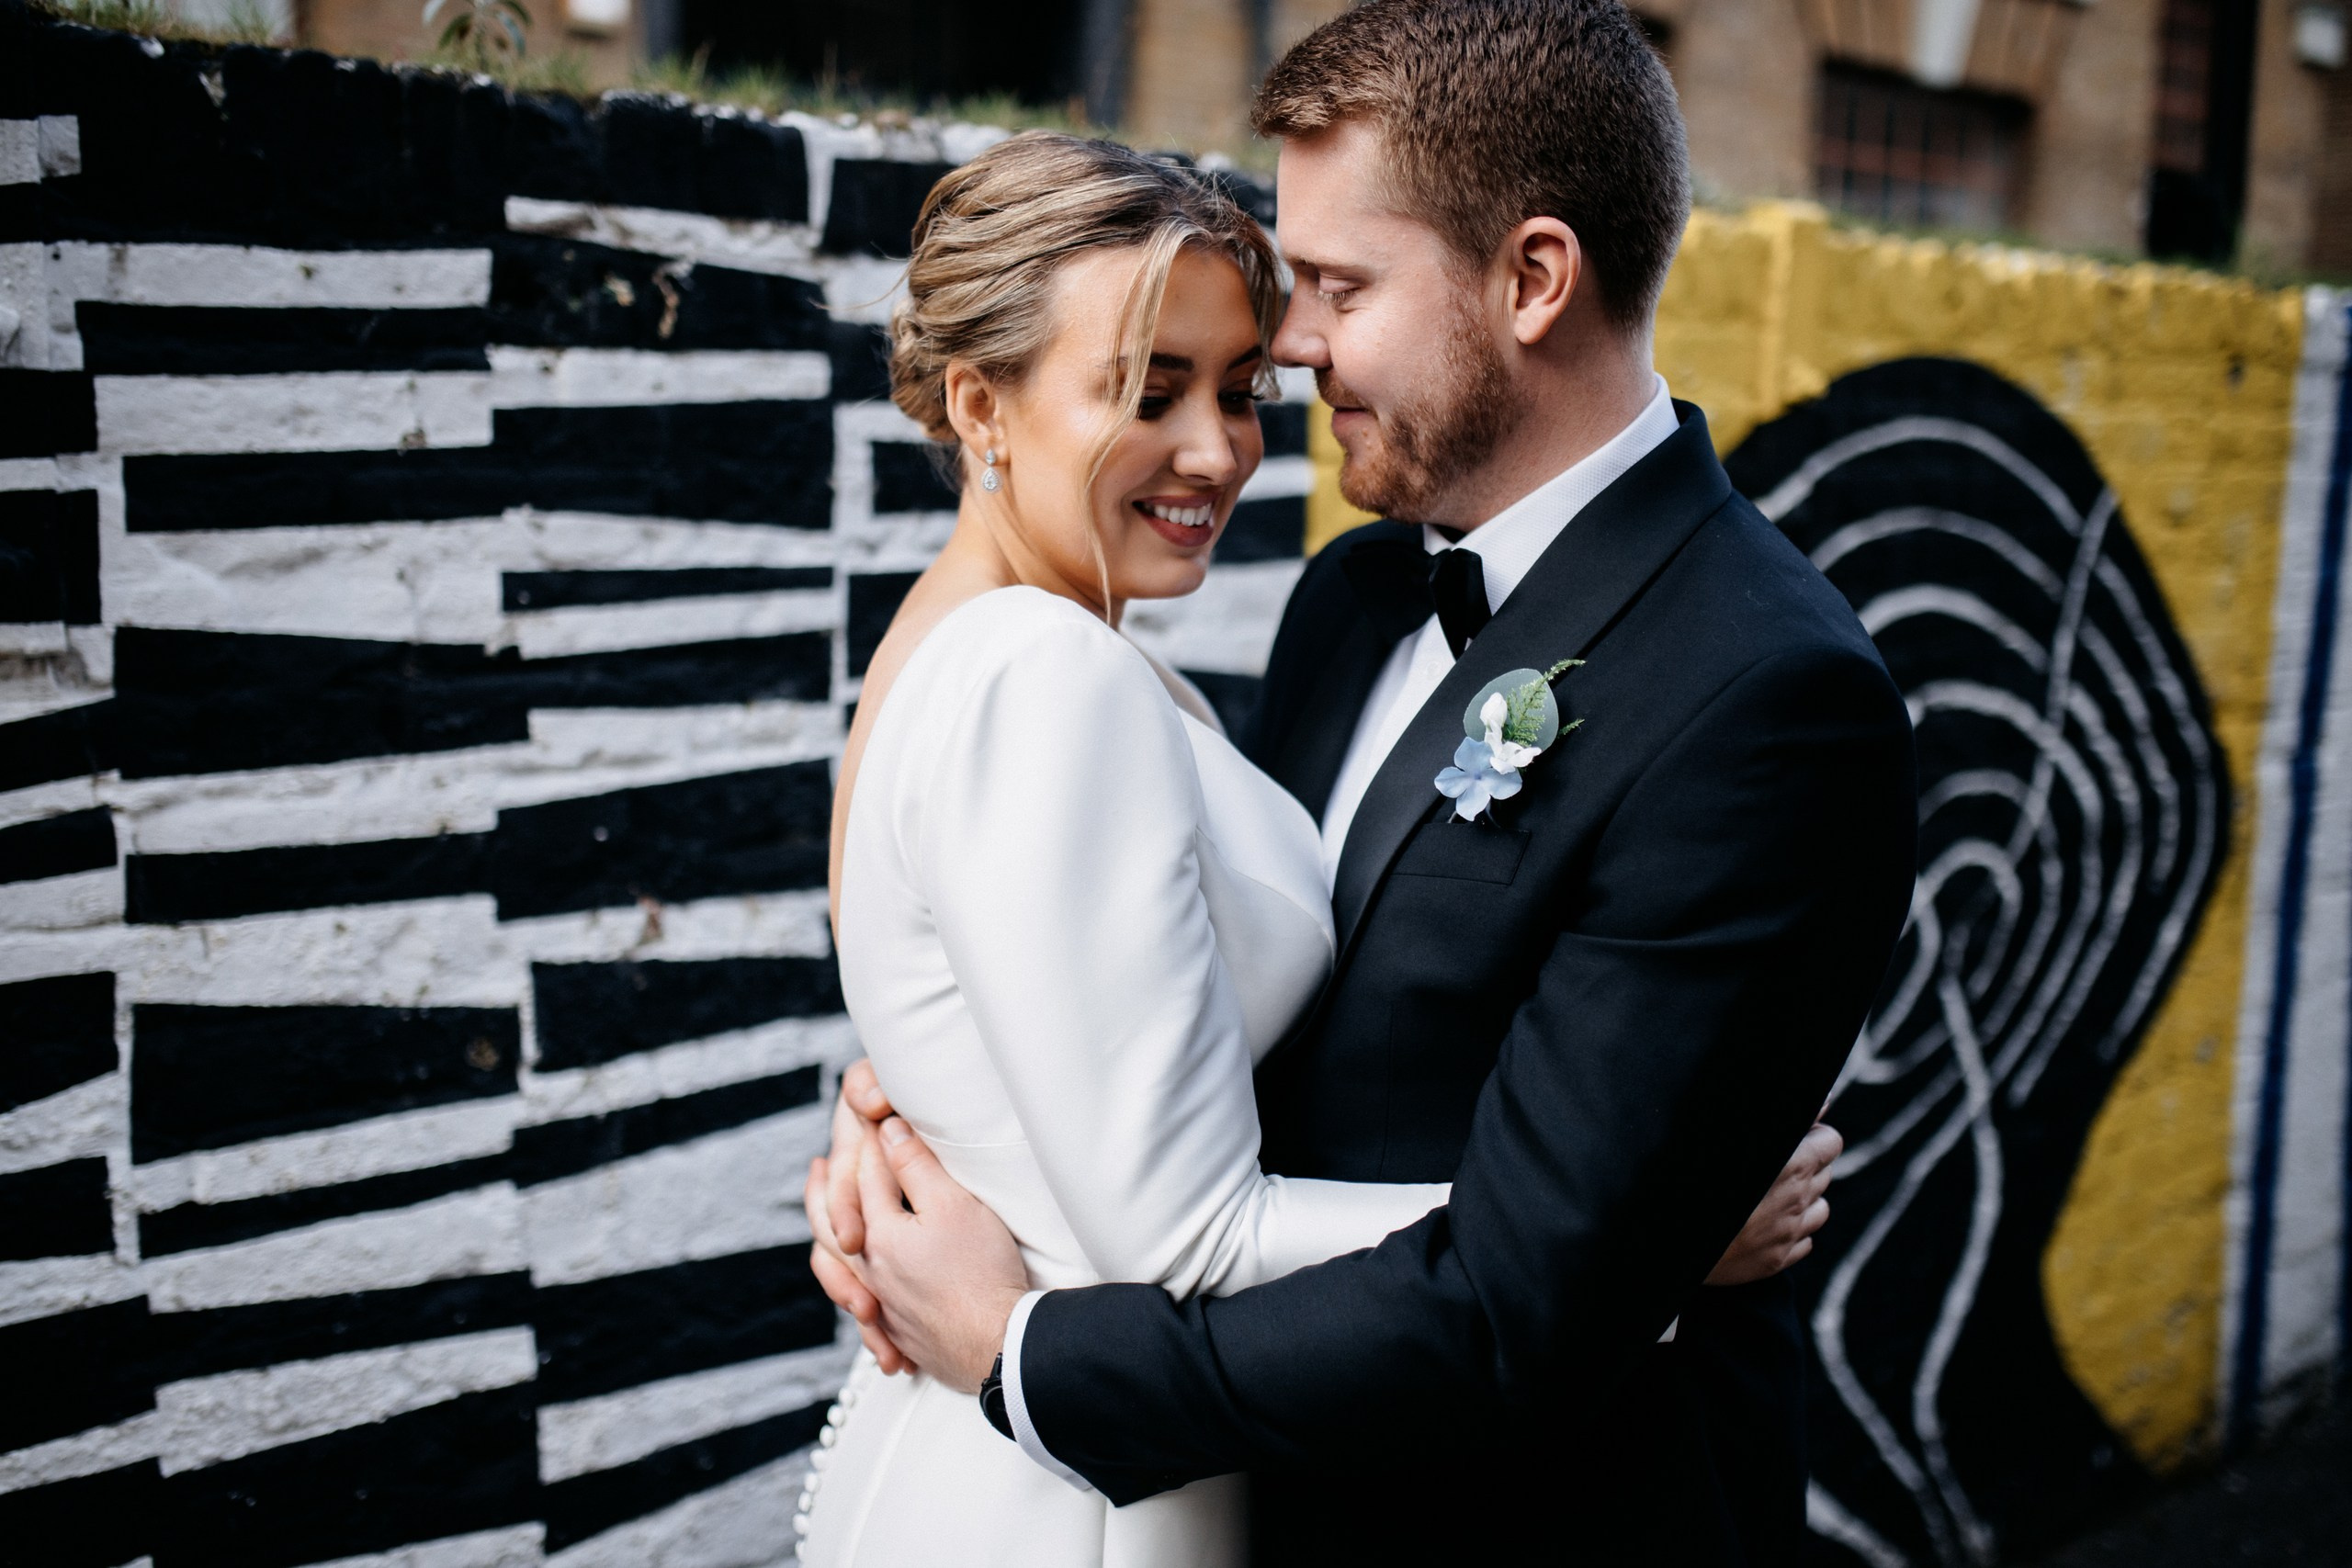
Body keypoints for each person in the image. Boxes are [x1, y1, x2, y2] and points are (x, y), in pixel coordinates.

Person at [808, 2, 1917, 1565]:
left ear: (1533, 280)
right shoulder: (1357, 596)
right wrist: (928, 1121)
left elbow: (1522, 1302)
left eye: (1337, 284)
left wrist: (1021, 1342)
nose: (1297, 343)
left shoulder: (1769, 701)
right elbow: (1159, 1006)